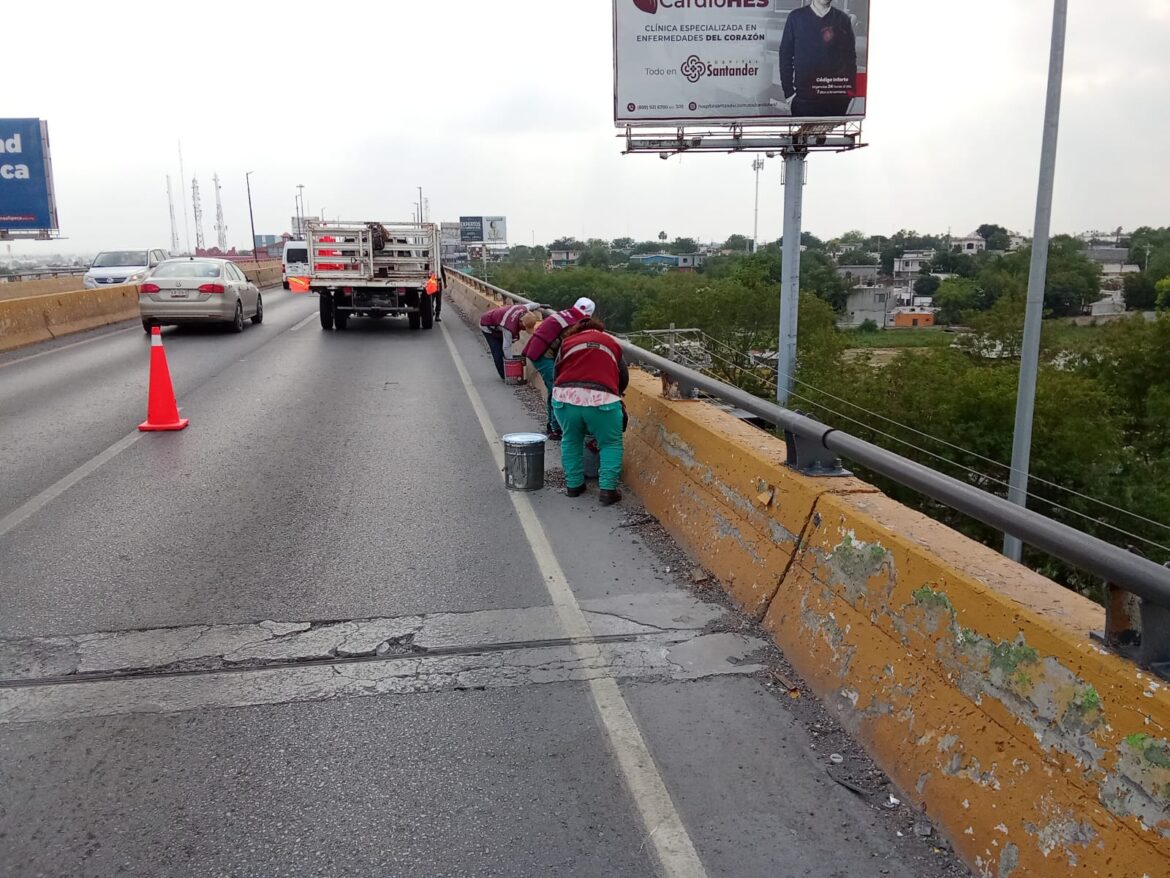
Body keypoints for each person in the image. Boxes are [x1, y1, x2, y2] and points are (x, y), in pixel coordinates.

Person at [553, 318, 629, 506]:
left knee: (570, 439)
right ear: (600, 330)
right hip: (602, 401)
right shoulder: (610, 342)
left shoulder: (567, 342)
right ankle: (607, 490)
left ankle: (574, 485)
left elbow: (557, 372)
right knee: (610, 443)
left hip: (565, 398)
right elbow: (623, 375)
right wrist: (616, 393)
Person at [523, 297, 595, 441]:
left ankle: (553, 425)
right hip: (543, 355)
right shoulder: (576, 324)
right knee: (557, 390)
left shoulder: (566, 314)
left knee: (555, 389)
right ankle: (555, 428)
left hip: (537, 350)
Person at [778, 0, 858, 118]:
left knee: (828, 135)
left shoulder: (843, 19)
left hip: (835, 100)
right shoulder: (795, 17)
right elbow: (785, 55)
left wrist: (848, 94)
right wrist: (789, 94)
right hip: (803, 100)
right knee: (802, 134)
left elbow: (850, 58)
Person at [480, 301, 542, 379]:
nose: (523, 329)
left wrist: (540, 305)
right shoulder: (509, 327)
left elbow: (530, 305)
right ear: (521, 322)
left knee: (502, 346)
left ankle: (506, 372)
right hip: (487, 325)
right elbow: (506, 347)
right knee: (497, 351)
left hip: (498, 323)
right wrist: (512, 365)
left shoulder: (523, 309)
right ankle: (505, 375)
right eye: (524, 327)